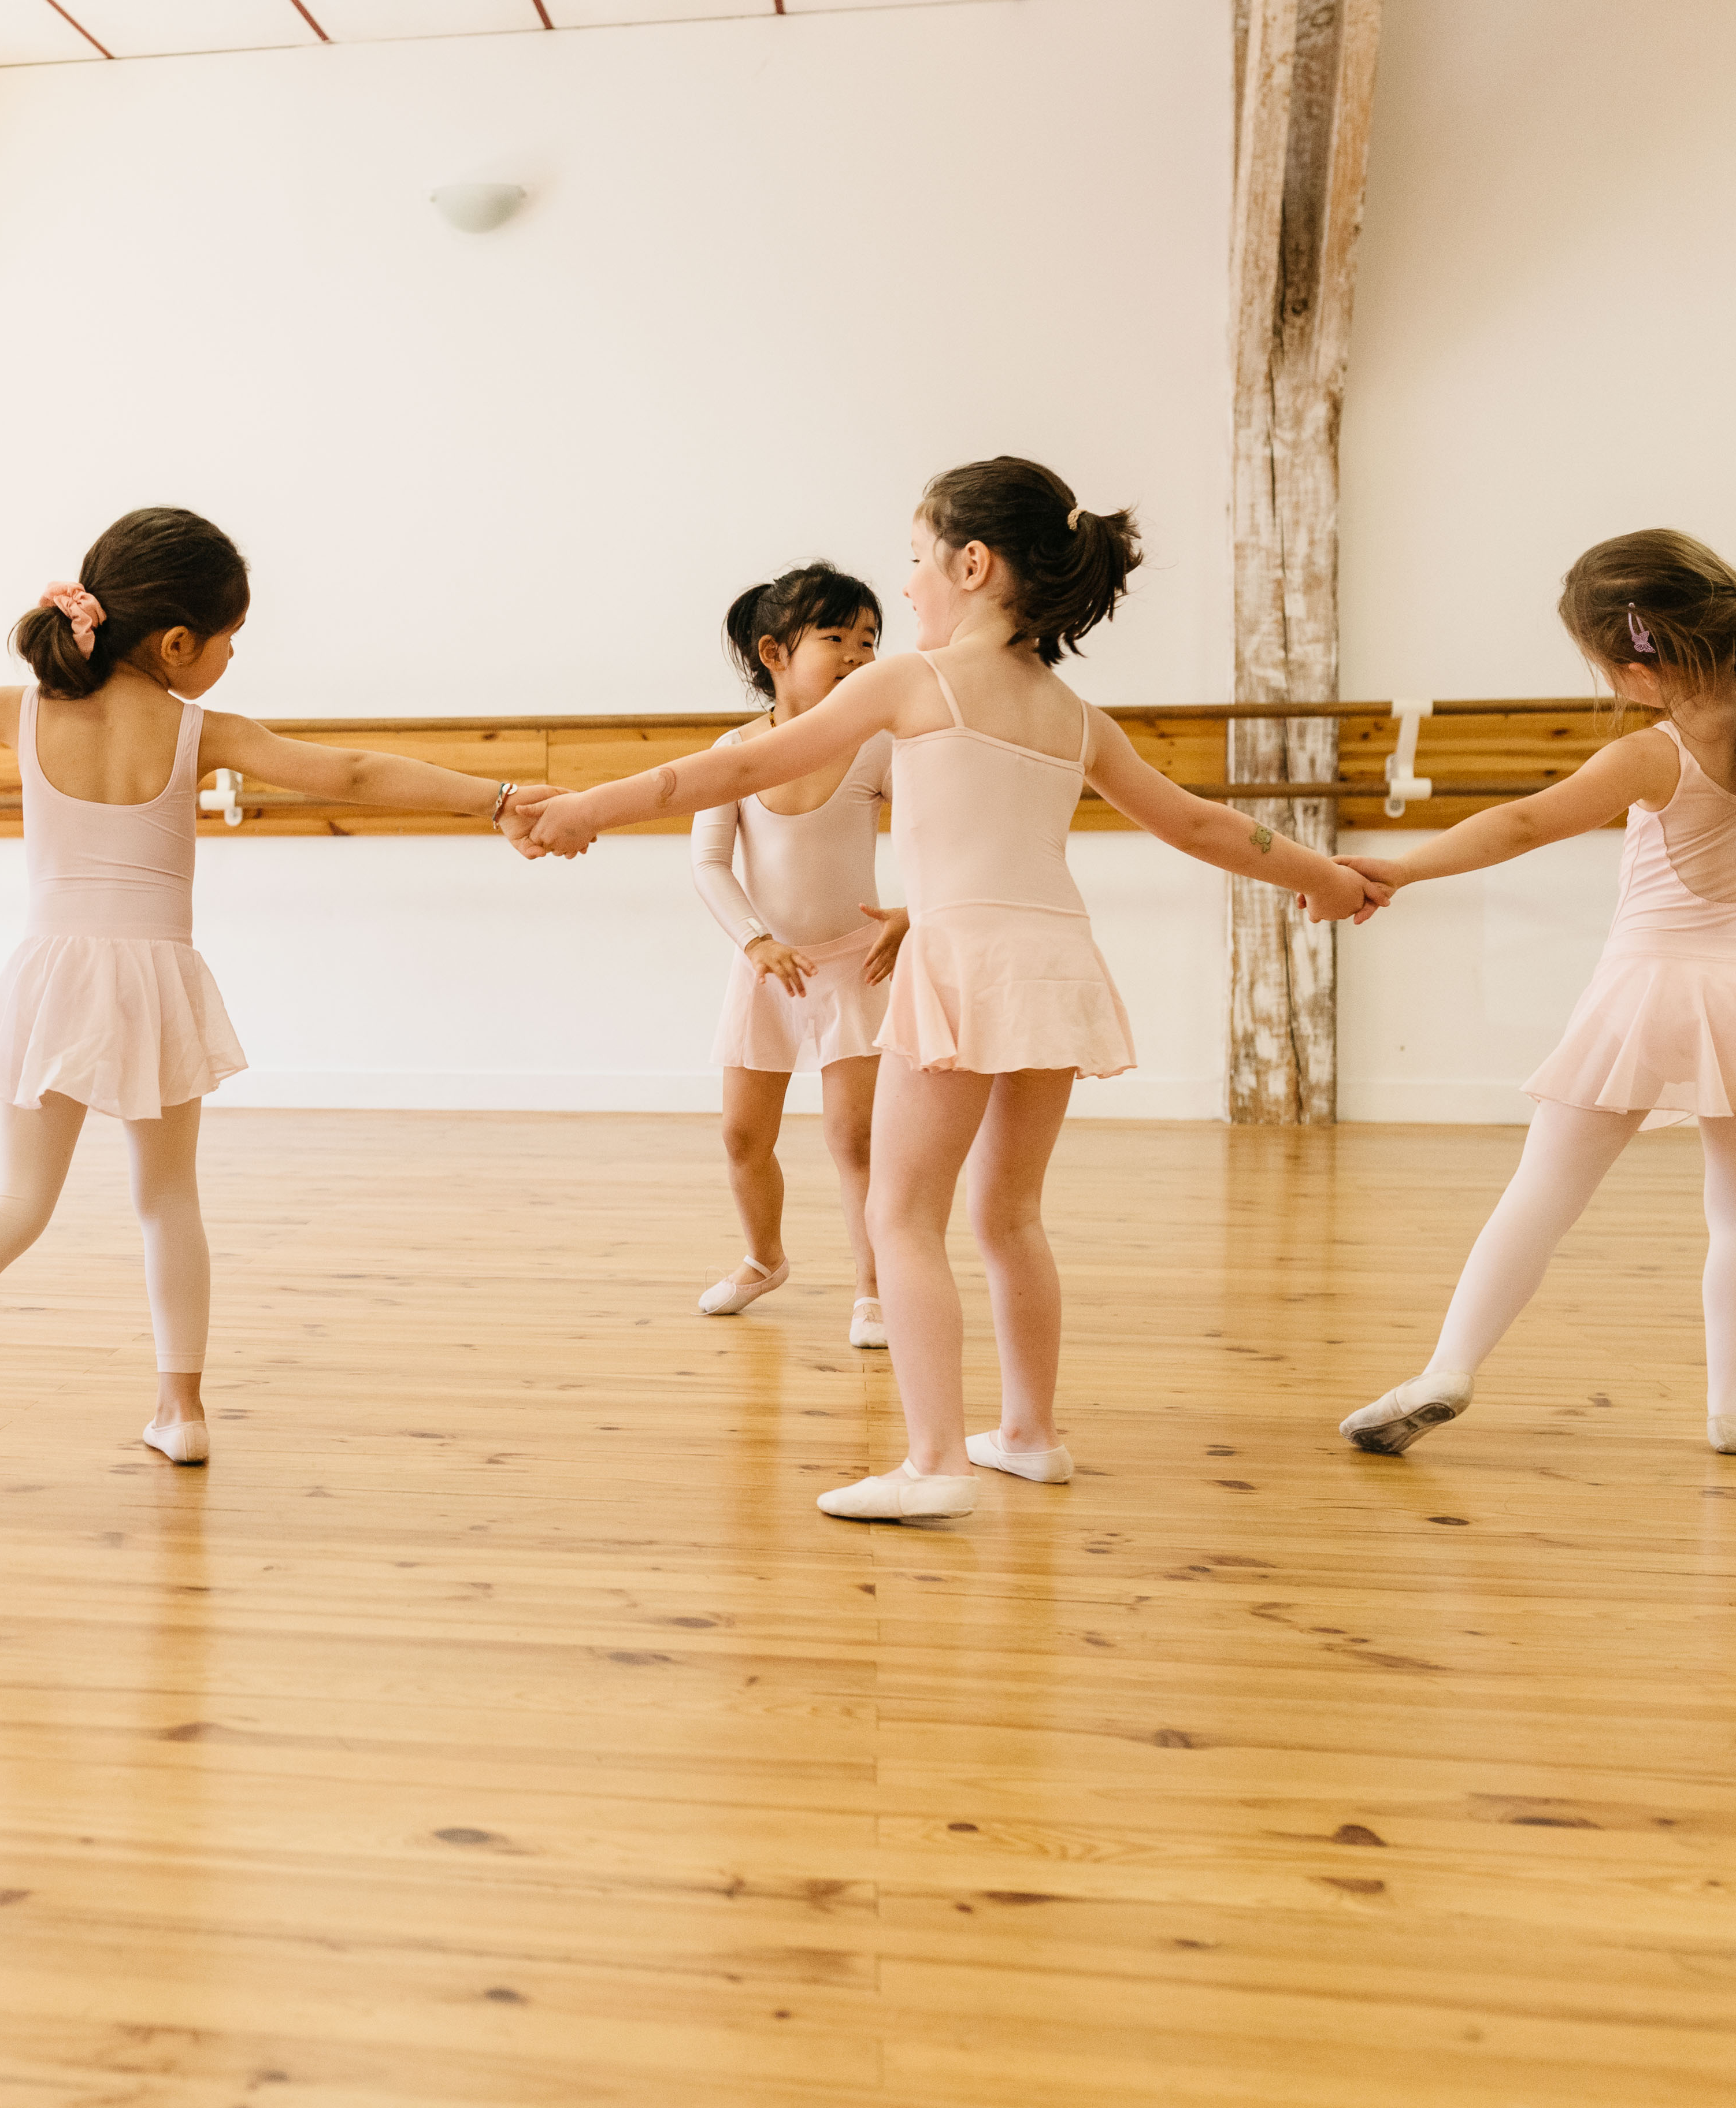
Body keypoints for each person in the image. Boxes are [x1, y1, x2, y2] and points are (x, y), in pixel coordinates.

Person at [512, 458, 1379, 1521]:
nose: (908, 587)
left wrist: (585, 808)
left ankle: (934, 1462)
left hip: (963, 961)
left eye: (917, 562)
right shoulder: (1070, 711)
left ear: (972, 564)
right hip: (1054, 958)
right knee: (1010, 1213)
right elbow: (1201, 823)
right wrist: (1329, 878)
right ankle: (1027, 1434)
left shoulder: (911, 684)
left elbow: (732, 771)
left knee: (904, 1211)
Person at [0, 506, 537, 1504]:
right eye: (230, 640)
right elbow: (350, 772)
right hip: (150, 978)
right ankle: (180, 1408)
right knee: (166, 1195)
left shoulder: (17, 709)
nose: (231, 658)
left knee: (15, 1199)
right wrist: (494, 799)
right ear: (178, 643)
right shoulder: (198, 729)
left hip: (50, 973)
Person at [1337, 530, 1736, 1461]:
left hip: (1650, 991)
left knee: (1544, 1190)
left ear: (1636, 666)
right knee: (1732, 1213)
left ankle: (1448, 1366)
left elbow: (1521, 825)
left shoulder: (1657, 753)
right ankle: (1729, 1407)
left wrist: (1401, 867)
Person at [689, 563, 903, 1347]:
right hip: (769, 968)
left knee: (856, 1138)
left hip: (856, 963)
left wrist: (914, 910)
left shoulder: (878, 744)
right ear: (776, 652)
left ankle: (874, 1289)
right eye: (837, 637)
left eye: (870, 640)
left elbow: (937, 830)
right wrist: (757, 941)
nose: (857, 653)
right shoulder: (735, 752)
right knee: (743, 1136)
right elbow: (710, 862)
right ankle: (763, 1257)